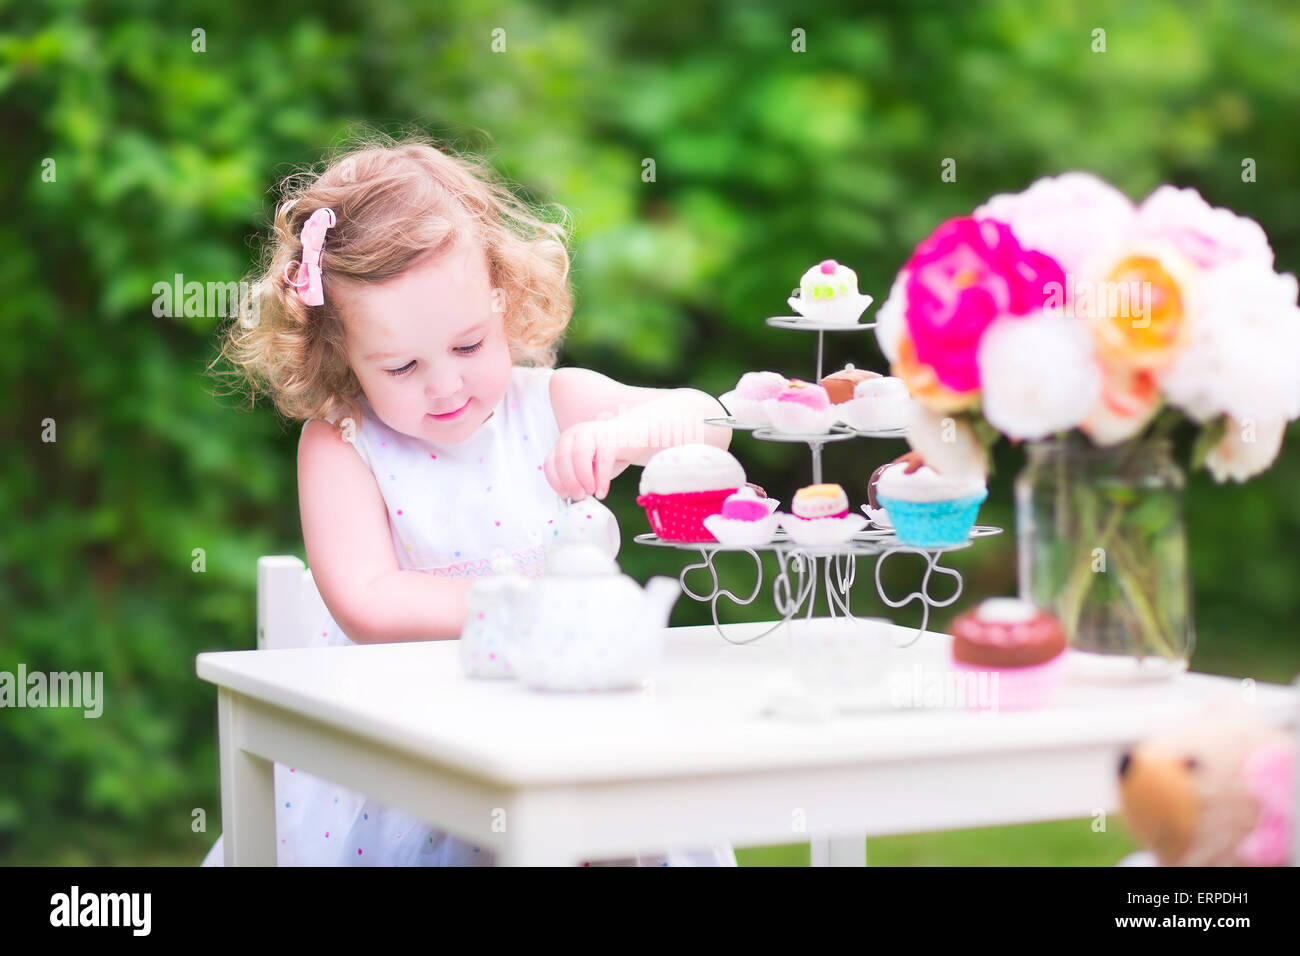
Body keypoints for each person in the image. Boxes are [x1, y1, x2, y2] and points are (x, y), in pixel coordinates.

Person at [202, 134, 736, 866]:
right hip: (408, 758)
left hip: (561, 732)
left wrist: (631, 433)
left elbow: (715, 424)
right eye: (401, 365)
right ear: (339, 353)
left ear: (504, 296)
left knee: (622, 811)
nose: (446, 386)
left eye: (467, 345)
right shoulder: (343, 444)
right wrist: (530, 606)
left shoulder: (553, 403)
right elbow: (371, 600)